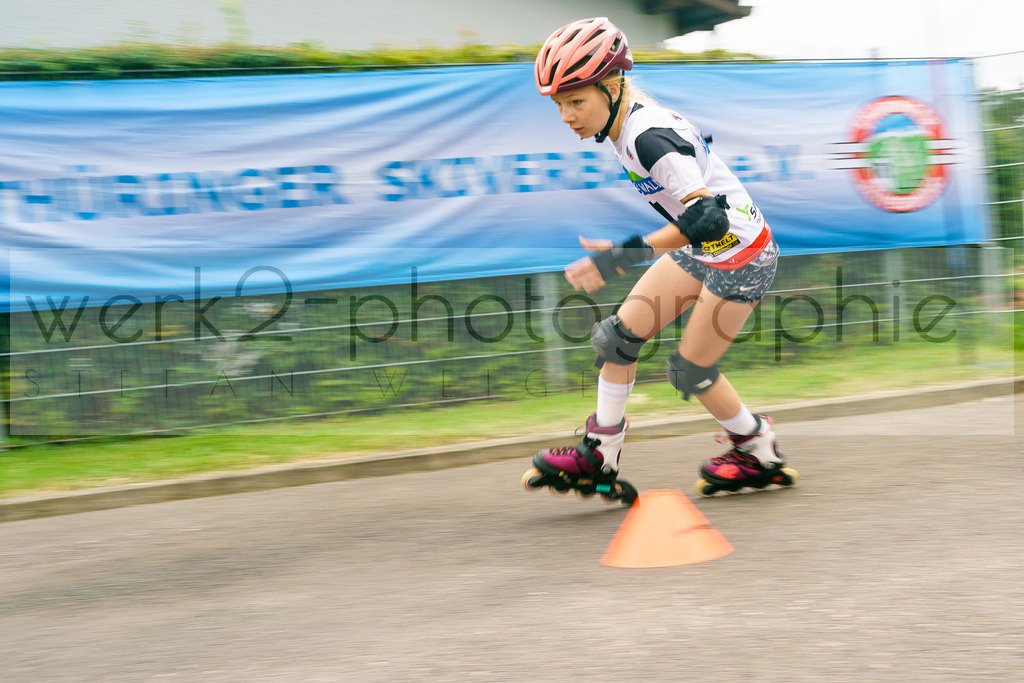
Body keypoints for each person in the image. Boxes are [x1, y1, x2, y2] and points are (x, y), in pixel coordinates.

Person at [528, 17, 797, 498]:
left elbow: (708, 220)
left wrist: (618, 258)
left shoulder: (646, 135)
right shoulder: (623, 122)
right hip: (704, 251)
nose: (567, 116)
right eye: (559, 105)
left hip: (742, 257)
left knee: (690, 371)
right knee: (617, 339)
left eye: (576, 101)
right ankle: (599, 453)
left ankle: (757, 448)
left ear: (612, 87)